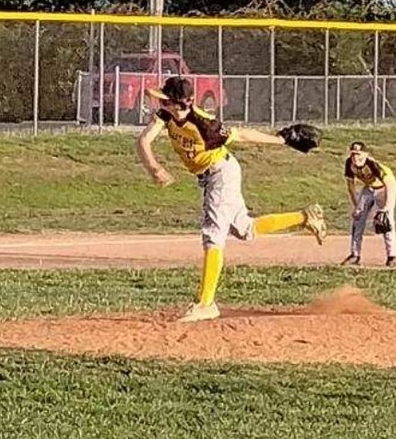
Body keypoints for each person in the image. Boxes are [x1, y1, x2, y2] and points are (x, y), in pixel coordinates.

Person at [137, 75, 327, 322]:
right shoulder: (166, 116)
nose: (162, 104)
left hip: (221, 174)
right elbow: (143, 140)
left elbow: (242, 135)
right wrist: (154, 168)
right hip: (210, 177)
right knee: (245, 230)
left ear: (182, 104)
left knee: (212, 235)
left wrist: (280, 140)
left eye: (167, 101)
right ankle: (305, 217)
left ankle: (206, 303)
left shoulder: (206, 126)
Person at [342, 141, 396, 268]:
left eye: (359, 154)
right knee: (357, 219)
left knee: (386, 221)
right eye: (353, 154)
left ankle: (392, 257)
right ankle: (355, 255)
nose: (356, 157)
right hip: (369, 188)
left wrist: (386, 208)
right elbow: (351, 187)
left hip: (384, 188)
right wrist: (356, 206)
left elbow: (390, 184)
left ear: (366, 154)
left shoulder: (372, 164)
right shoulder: (349, 164)